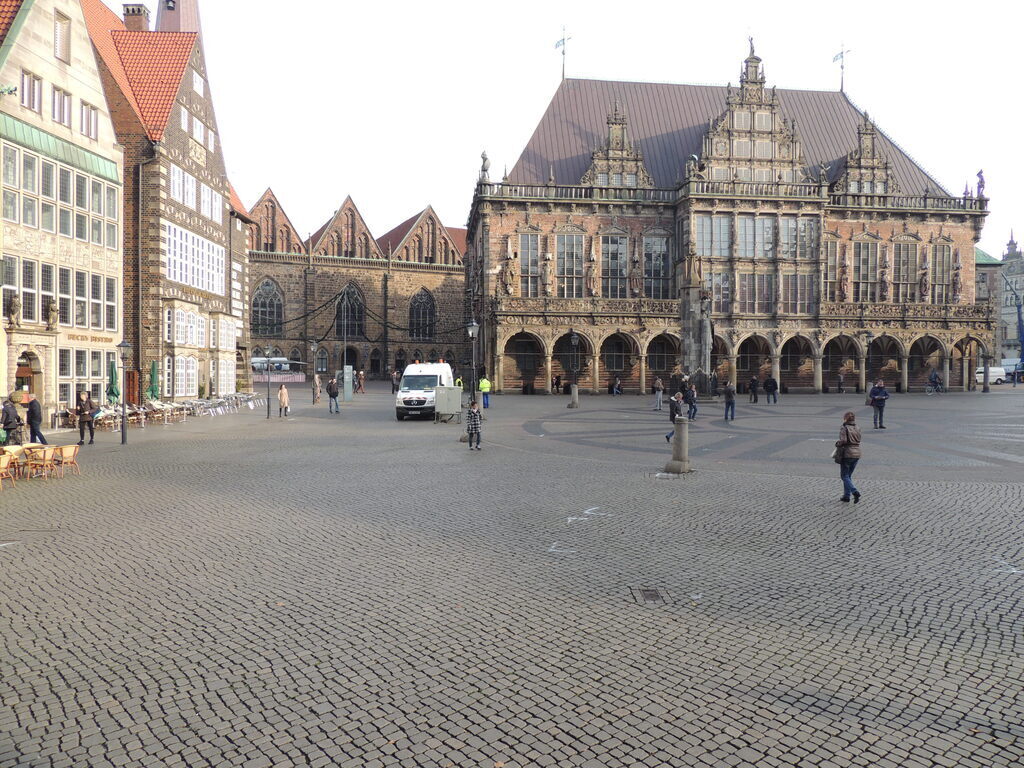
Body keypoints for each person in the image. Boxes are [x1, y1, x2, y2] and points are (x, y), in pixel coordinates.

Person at [834, 410, 862, 503]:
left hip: (847, 453)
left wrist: (838, 443)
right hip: (857, 453)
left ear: (845, 418)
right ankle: (846, 496)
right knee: (848, 476)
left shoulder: (844, 427)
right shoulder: (858, 427)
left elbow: (844, 440)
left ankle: (854, 491)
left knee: (844, 476)